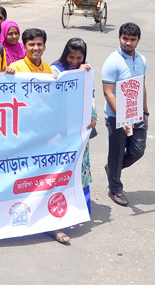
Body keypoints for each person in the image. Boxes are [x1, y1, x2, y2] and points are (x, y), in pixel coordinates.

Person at [49, 37, 97, 244]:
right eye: (71, 57)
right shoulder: (55, 69)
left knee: (80, 166)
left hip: (79, 129)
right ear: (65, 54)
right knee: (60, 169)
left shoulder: (85, 71)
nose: (75, 61)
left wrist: (92, 116)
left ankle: (80, 206)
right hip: (59, 131)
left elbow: (90, 97)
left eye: (79, 57)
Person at [102, 22, 148, 207]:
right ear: (119, 38)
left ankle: (112, 169)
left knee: (138, 151)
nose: (128, 43)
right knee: (117, 152)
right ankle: (115, 189)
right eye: (125, 38)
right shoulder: (112, 61)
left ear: (138, 40)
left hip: (137, 114)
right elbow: (108, 92)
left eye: (132, 40)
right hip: (116, 117)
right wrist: (122, 116)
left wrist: (145, 112)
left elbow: (142, 86)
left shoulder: (142, 60)